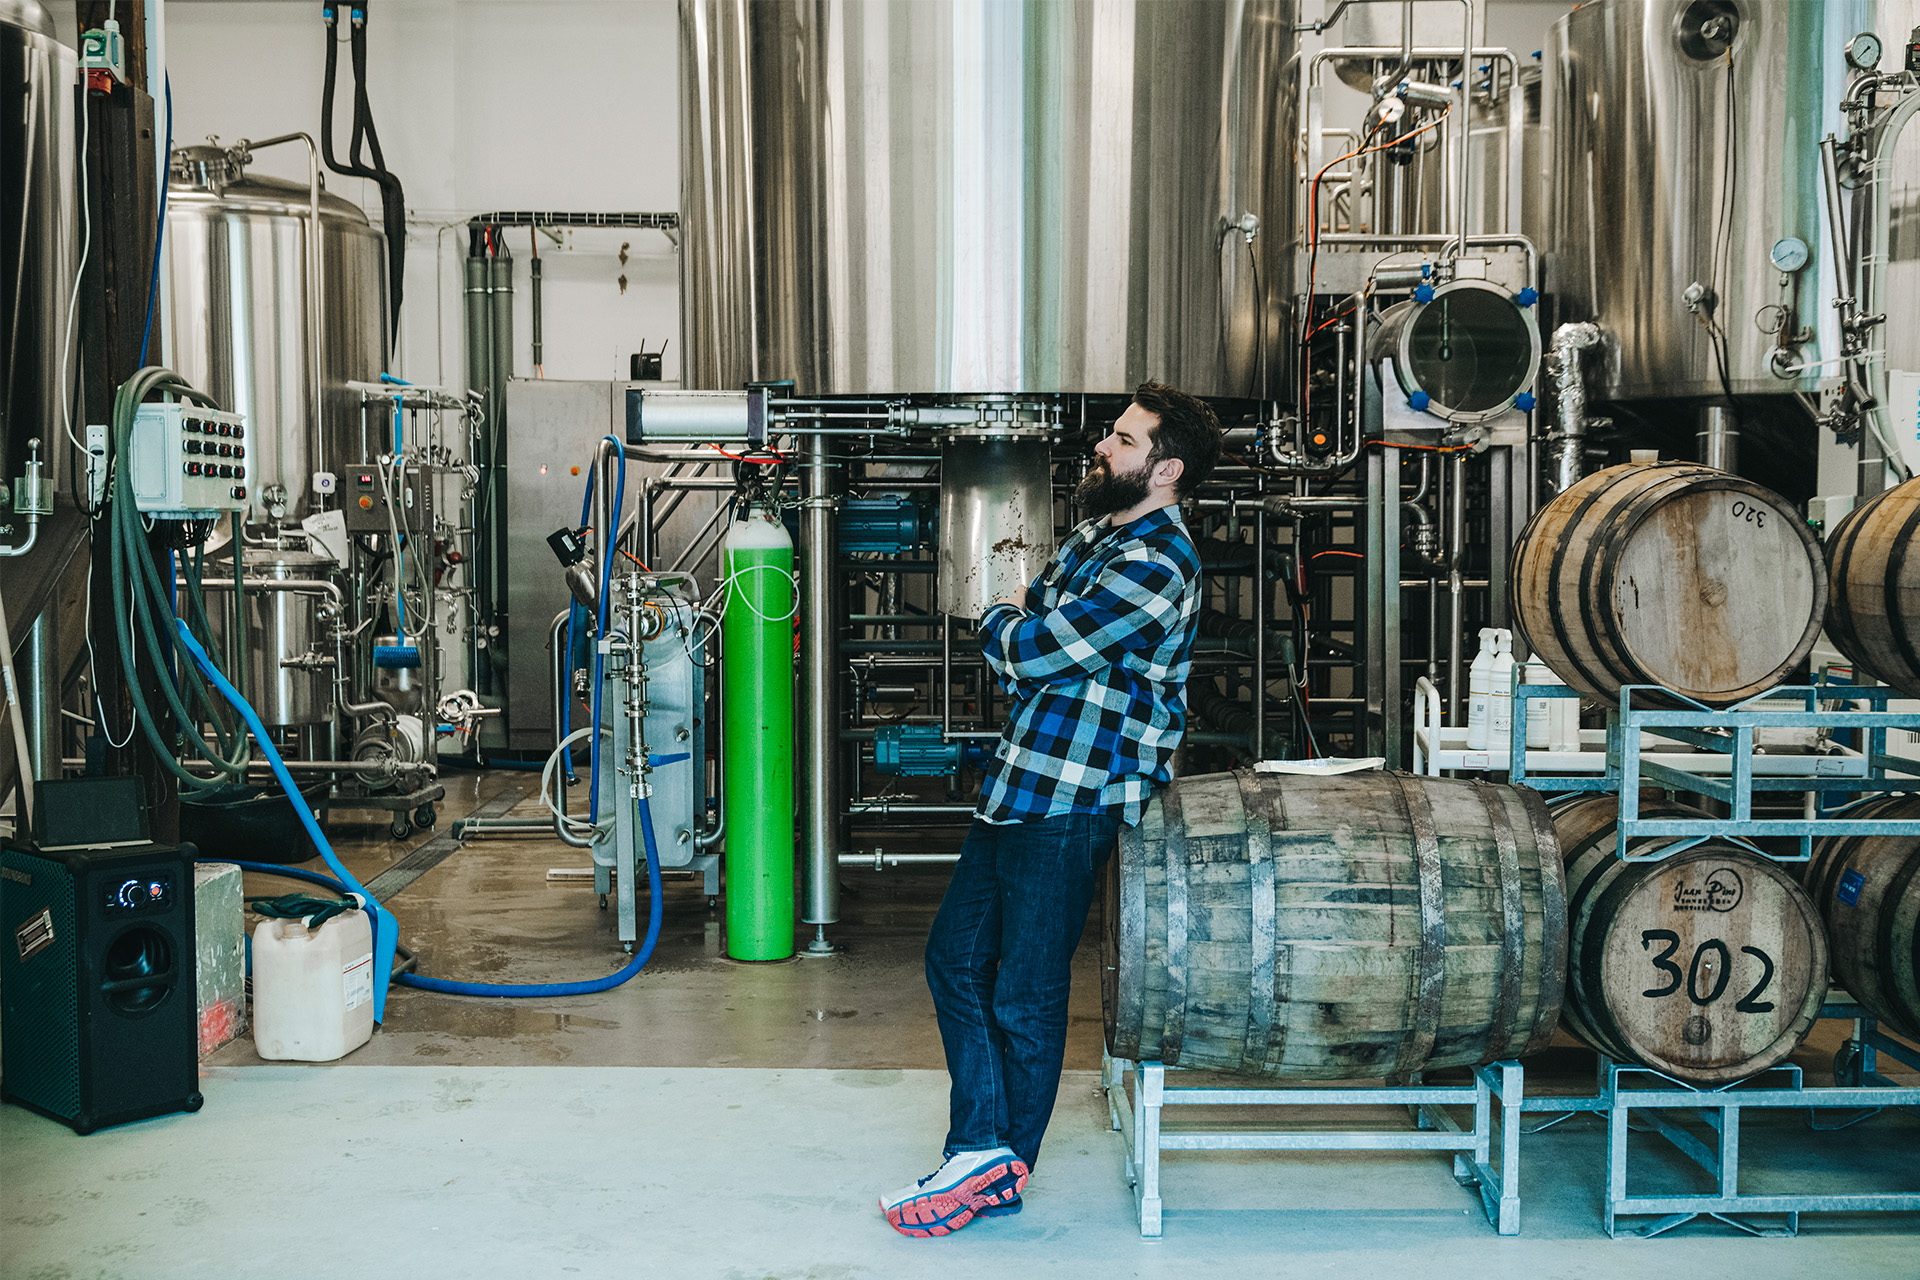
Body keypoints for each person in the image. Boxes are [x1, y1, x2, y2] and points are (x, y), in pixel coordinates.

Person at [880, 381, 1221, 1237]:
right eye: (1113, 433)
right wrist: (1026, 635)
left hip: (1074, 798)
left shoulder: (1156, 563)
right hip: (1021, 782)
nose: (1105, 447)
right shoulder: (1097, 537)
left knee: (1025, 990)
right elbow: (1036, 633)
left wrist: (1006, 626)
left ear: (1166, 468)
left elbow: (1030, 644)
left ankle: (993, 1159)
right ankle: (985, 1148)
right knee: (954, 961)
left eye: (1125, 440)